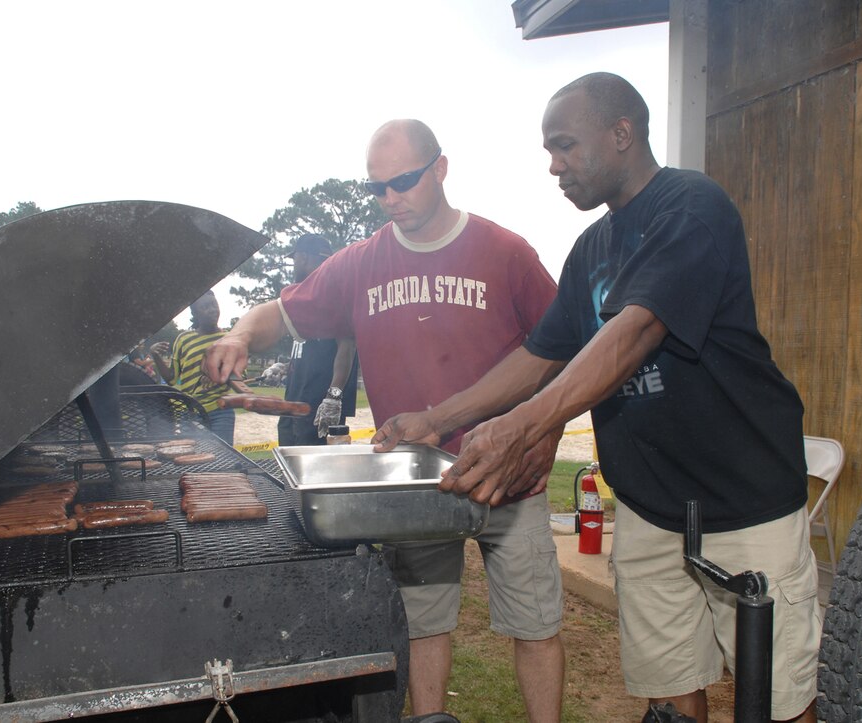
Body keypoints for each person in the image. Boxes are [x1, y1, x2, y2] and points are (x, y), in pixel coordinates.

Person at [372, 74, 820, 723]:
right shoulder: (591, 249)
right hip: (649, 506)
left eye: (565, 146)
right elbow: (539, 356)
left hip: (744, 501)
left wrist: (523, 427)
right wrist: (436, 419)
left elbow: (635, 331)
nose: (553, 165)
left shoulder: (692, 207)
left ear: (622, 133)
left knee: (776, 697)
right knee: (669, 695)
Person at [203, 119, 566, 722]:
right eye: (377, 188)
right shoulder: (360, 264)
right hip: (413, 483)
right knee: (423, 624)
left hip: (508, 477)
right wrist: (241, 332)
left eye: (403, 181)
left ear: (441, 169)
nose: (390, 198)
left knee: (534, 625)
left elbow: (563, 345)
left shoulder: (505, 252)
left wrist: (542, 429)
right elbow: (281, 313)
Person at [278, 233, 359, 446]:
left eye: (294, 259)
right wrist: (286, 366)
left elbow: (347, 346)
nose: (294, 265)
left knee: (313, 473)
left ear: (303, 257)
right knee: (289, 470)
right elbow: (313, 350)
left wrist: (333, 397)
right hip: (293, 402)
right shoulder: (302, 297)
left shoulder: (335, 294)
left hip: (318, 406)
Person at [151, 290, 250, 444]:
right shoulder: (183, 339)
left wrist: (218, 373)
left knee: (223, 459)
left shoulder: (229, 339)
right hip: (189, 413)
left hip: (221, 411)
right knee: (189, 456)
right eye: (205, 307)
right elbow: (171, 379)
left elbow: (239, 377)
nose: (212, 309)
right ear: (195, 314)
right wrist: (156, 356)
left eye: (214, 304)